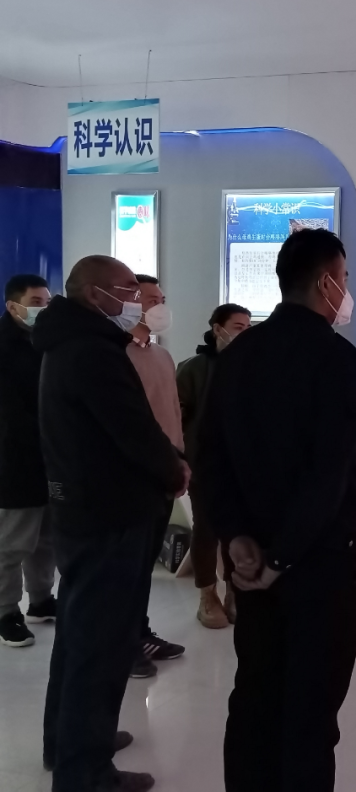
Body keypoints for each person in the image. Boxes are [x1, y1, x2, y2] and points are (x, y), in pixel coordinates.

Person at [197, 229, 356, 792]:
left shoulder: (238, 354)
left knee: (254, 698)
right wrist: (283, 558)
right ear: (325, 282)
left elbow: (210, 457)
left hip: (251, 564)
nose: (346, 289)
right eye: (343, 278)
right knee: (310, 714)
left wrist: (236, 538)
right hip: (319, 564)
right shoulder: (337, 360)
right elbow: (329, 477)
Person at [36, 256, 188, 792]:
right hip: (109, 513)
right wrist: (173, 469)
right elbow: (133, 429)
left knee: (78, 635)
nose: (136, 300)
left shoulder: (67, 344)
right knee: (98, 643)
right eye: (127, 290)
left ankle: (67, 743)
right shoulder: (93, 352)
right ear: (95, 293)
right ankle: (85, 769)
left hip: (83, 508)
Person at [125, 274, 186, 678]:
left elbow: (172, 414)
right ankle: (123, 644)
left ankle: (139, 632)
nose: (159, 306)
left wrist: (179, 459)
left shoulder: (162, 355)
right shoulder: (116, 355)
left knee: (144, 563)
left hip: (166, 470)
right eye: (150, 299)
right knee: (126, 566)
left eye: (161, 298)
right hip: (134, 476)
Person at [176, 303, 252, 629]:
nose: (245, 333)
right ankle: (207, 595)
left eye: (249, 327)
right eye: (238, 327)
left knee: (238, 532)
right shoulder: (193, 369)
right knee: (206, 530)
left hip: (242, 468)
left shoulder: (254, 367)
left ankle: (236, 591)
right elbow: (177, 417)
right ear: (217, 329)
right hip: (204, 466)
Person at [0, 275, 55, 647]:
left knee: (47, 538)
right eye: (36, 302)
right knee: (12, 543)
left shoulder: (46, 341)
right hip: (15, 460)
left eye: (48, 302)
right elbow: (10, 415)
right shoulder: (4, 347)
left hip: (52, 458)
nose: (43, 309)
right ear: (13, 306)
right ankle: (6, 612)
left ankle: (41, 600)